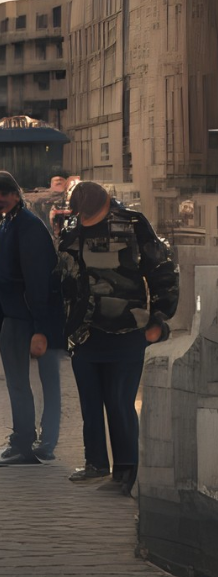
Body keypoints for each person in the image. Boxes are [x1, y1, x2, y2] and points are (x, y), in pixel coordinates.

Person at [57, 181, 179, 494]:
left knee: (120, 404)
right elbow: (62, 276)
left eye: (91, 217)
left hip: (127, 330)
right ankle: (95, 464)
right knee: (90, 403)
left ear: (107, 204)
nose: (86, 222)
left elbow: (162, 269)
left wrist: (160, 318)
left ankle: (125, 474)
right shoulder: (72, 227)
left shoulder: (134, 224)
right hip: (83, 333)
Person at [0, 171, 66, 467]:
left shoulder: (25, 226)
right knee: (32, 381)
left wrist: (40, 329)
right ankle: (36, 442)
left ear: (15, 195)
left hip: (27, 317)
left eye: (0, 193)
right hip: (18, 316)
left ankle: (25, 444)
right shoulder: (8, 223)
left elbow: (38, 280)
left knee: (28, 382)